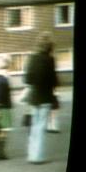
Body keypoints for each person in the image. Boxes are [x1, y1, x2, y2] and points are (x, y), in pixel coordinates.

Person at [24, 32, 58, 164]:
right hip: (45, 98)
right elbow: (54, 81)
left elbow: (27, 79)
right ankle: (38, 156)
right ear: (50, 46)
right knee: (41, 127)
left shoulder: (32, 58)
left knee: (34, 127)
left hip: (34, 98)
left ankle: (31, 155)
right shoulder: (50, 60)